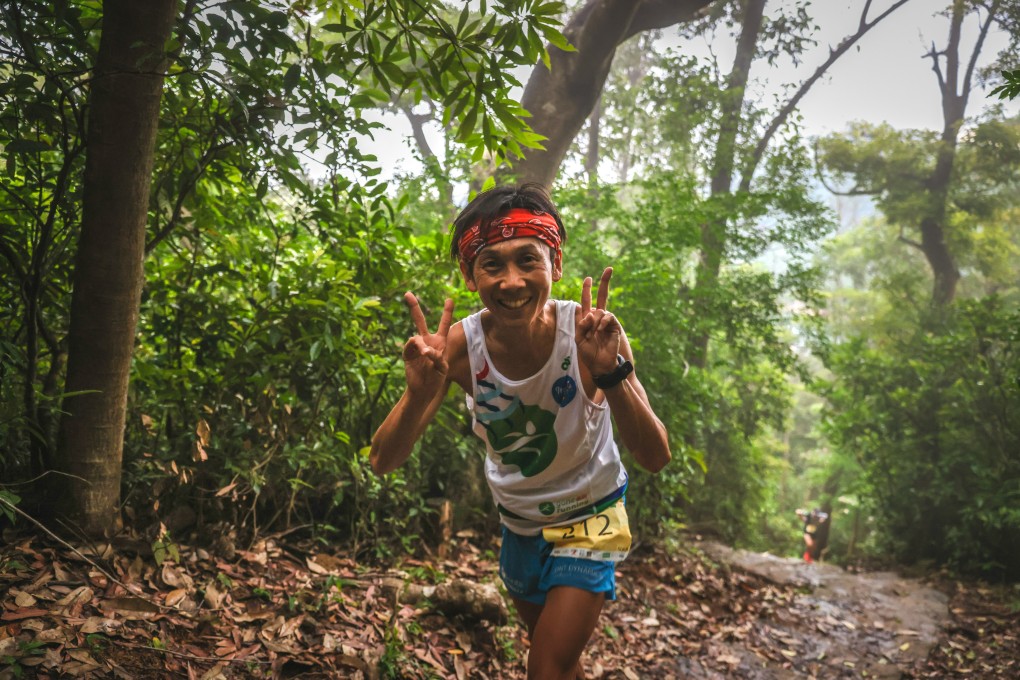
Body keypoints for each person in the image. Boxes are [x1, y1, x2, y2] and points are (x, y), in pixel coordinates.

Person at [370, 183, 671, 680]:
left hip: (591, 516)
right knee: (561, 662)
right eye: (493, 265)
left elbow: (655, 455)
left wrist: (612, 374)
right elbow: (383, 459)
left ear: (554, 263)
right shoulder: (458, 349)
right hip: (519, 524)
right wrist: (422, 392)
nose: (512, 282)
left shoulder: (592, 333)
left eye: (527, 260)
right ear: (471, 276)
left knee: (546, 666)